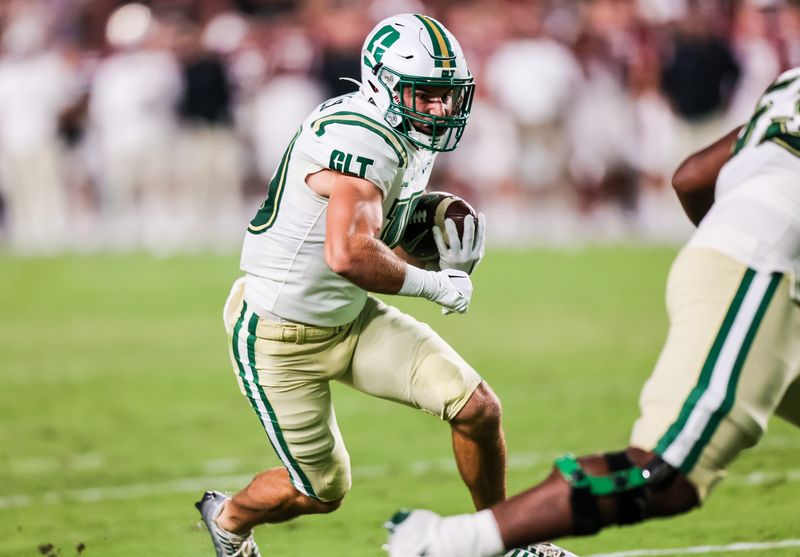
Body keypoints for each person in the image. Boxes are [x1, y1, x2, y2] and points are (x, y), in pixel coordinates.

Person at [386, 67, 800, 557]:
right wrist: (748, 255)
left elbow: (691, 178)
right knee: (663, 475)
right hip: (766, 268)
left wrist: (724, 241)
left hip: (745, 261)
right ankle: (444, 544)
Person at [195, 14, 507, 557]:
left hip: (351, 318)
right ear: (385, 85)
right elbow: (348, 254)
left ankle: (506, 541)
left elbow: (385, 242)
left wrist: (433, 217)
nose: (440, 108)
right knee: (322, 492)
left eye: (447, 95)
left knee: (477, 409)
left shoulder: (399, 129)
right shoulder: (360, 139)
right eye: (425, 94)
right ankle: (228, 518)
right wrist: (437, 286)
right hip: (279, 336)